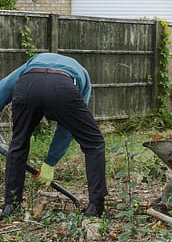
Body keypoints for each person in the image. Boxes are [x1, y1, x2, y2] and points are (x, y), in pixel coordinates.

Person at [0, 53, 108, 219]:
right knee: (94, 144)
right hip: (62, 87)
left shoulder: (31, 64)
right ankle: (96, 207)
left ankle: (10, 206)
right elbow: (67, 128)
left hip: (28, 84)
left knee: (18, 144)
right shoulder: (82, 76)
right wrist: (50, 162)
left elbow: (3, 89)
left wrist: (50, 161)